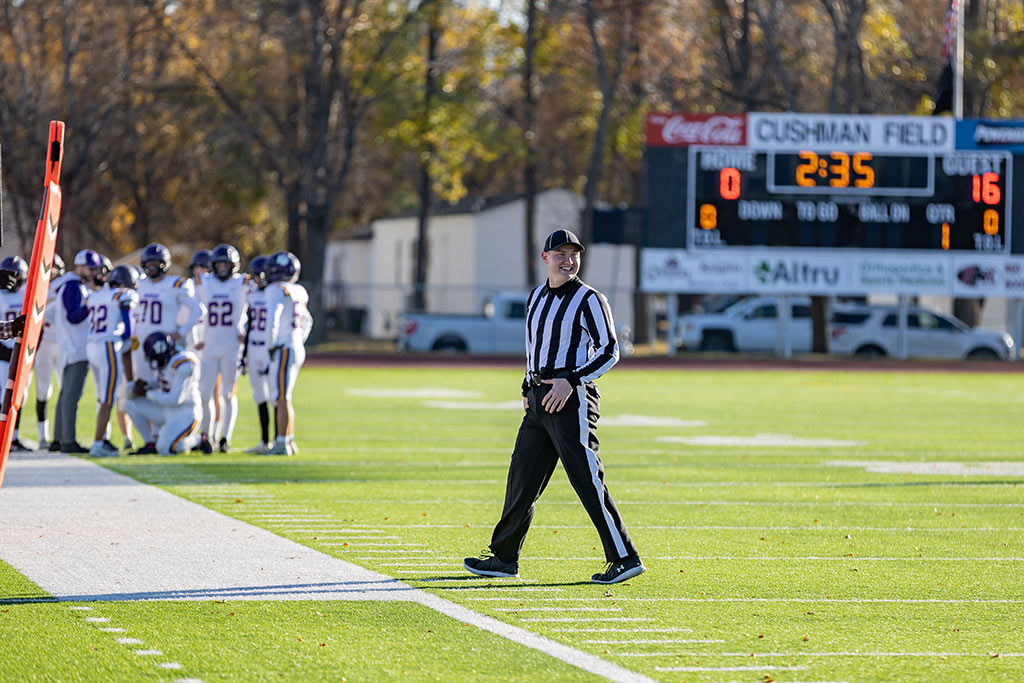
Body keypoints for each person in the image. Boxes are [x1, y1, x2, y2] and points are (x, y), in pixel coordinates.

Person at [463, 229, 644, 585]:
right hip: (538, 399)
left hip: (570, 398)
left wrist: (571, 380)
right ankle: (504, 557)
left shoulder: (589, 299)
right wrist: (526, 386)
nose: (568, 259)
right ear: (544, 257)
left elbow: (610, 350)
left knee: (586, 477)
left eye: (573, 253)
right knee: (522, 477)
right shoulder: (536, 297)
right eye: (560, 253)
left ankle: (624, 556)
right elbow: (534, 346)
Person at [131, 243, 203, 453]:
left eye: (156, 263)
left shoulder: (176, 284)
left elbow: (198, 310)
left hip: (165, 349)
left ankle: (181, 437)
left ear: (165, 265)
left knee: (167, 388)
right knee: (144, 390)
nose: (152, 267)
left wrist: (180, 331)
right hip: (143, 349)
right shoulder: (140, 284)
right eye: (148, 263)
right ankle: (152, 439)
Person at [194, 243, 248, 453]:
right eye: (219, 264)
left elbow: (259, 304)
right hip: (208, 344)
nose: (223, 267)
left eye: (227, 263)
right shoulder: (204, 282)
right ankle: (206, 435)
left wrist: (248, 329)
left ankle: (225, 437)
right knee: (205, 394)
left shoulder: (243, 282)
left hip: (232, 346)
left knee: (227, 394)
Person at [85, 265, 138, 458]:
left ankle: (103, 439)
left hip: (91, 345)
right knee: (108, 399)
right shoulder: (124, 294)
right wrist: (126, 339)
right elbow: (128, 330)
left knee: (103, 397)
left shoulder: (95, 295)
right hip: (108, 345)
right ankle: (98, 444)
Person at [53, 249, 102, 453]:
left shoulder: (71, 285)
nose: (92, 273)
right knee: (71, 396)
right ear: (79, 266)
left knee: (66, 395)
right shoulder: (73, 286)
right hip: (77, 347)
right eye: (89, 268)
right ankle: (68, 441)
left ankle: (58, 439)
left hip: (70, 346)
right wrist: (92, 304)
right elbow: (74, 316)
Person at [122, 331, 201, 455]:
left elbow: (175, 399)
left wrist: (146, 393)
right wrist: (148, 385)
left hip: (185, 414)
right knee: (128, 404)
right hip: (166, 410)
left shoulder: (184, 363)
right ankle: (150, 444)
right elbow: (165, 383)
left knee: (165, 449)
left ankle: (199, 440)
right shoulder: (168, 359)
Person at [264, 251, 311, 455]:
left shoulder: (275, 290)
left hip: (284, 347)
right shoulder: (300, 290)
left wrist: (271, 343)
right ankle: (289, 439)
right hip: (295, 345)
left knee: (281, 396)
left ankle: (282, 441)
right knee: (285, 396)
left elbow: (272, 321)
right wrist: (298, 339)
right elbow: (308, 321)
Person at [242, 255, 274, 453]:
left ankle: (281, 439)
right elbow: (250, 324)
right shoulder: (252, 295)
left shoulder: (275, 293)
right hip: (254, 348)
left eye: (258, 275)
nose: (255, 279)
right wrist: (243, 354)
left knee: (276, 395)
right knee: (259, 395)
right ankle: (264, 441)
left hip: (268, 348)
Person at [0, 256, 31, 450]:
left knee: (21, 395)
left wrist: (12, 328)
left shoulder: (26, 293)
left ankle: (13, 436)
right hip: (3, 352)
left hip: (19, 350)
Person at [35, 253, 66, 449]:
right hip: (44, 342)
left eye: (54, 266)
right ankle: (42, 436)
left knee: (66, 389)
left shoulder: (65, 284)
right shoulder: (34, 285)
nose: (50, 270)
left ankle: (62, 434)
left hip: (63, 343)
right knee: (42, 390)